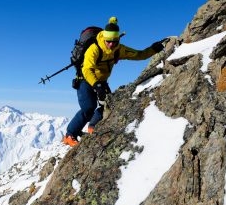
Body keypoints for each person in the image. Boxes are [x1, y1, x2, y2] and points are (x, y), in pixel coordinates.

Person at [62, 17, 165, 147]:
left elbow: (139, 55)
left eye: (114, 41)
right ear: (104, 38)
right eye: (108, 41)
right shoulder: (94, 49)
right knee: (88, 107)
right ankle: (69, 135)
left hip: (102, 82)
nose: (111, 44)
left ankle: (92, 127)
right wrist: (96, 85)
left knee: (109, 105)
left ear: (118, 39)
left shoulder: (119, 49)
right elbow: (87, 69)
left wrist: (153, 49)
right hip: (86, 80)